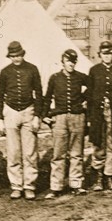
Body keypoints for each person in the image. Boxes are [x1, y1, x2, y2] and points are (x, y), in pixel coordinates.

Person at [0, 41, 43, 201]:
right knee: (13, 152)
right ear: (10, 57)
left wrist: (37, 116)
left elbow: (39, 93)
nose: (16, 59)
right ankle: (16, 186)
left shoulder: (32, 69)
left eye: (18, 55)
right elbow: (0, 95)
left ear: (23, 54)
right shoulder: (5, 72)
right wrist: (0, 119)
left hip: (28, 111)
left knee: (30, 152)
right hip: (11, 112)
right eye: (13, 56)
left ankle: (29, 185)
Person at [42, 49, 89, 198]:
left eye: (74, 62)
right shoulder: (55, 78)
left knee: (76, 153)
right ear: (62, 62)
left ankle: (76, 184)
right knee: (58, 153)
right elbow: (48, 97)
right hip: (60, 118)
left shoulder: (80, 77)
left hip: (77, 117)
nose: (71, 64)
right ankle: (56, 186)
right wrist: (45, 115)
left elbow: (94, 86)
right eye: (68, 61)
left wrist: (82, 99)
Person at [87, 41, 112, 191]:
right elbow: (90, 96)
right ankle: (98, 177)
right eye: (104, 54)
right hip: (98, 113)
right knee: (98, 143)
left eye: (109, 54)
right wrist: (90, 118)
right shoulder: (94, 71)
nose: (107, 56)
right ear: (100, 55)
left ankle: (110, 176)